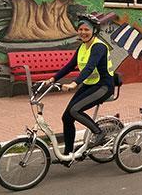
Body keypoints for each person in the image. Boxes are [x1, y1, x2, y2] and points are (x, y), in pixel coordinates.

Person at [43, 14, 114, 166]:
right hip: (90, 85)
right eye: (80, 29)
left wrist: (74, 83)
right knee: (66, 117)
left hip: (104, 85)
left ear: (94, 31)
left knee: (75, 110)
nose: (83, 32)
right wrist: (53, 79)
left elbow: (90, 67)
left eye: (86, 29)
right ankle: (69, 155)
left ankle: (99, 132)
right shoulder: (82, 46)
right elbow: (69, 66)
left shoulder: (99, 46)